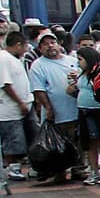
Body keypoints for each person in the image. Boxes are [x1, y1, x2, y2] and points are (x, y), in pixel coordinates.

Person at [28, 30, 82, 181]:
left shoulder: (72, 60)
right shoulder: (38, 65)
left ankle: (79, 168)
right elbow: (38, 89)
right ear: (40, 48)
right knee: (60, 142)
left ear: (59, 44)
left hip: (76, 109)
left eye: (52, 42)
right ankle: (60, 171)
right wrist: (48, 107)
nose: (50, 46)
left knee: (77, 140)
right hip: (57, 113)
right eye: (45, 44)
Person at [72, 47, 100, 186]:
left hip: (97, 111)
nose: (78, 62)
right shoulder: (82, 74)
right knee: (88, 144)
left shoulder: (99, 73)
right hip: (83, 111)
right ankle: (94, 172)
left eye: (80, 59)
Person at [0, 32, 33, 180]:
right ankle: (12, 167)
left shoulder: (16, 59)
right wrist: (19, 102)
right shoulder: (3, 58)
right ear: (18, 44)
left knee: (27, 136)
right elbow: (6, 84)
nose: (26, 50)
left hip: (25, 105)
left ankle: (29, 165)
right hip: (10, 108)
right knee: (13, 138)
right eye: (25, 46)